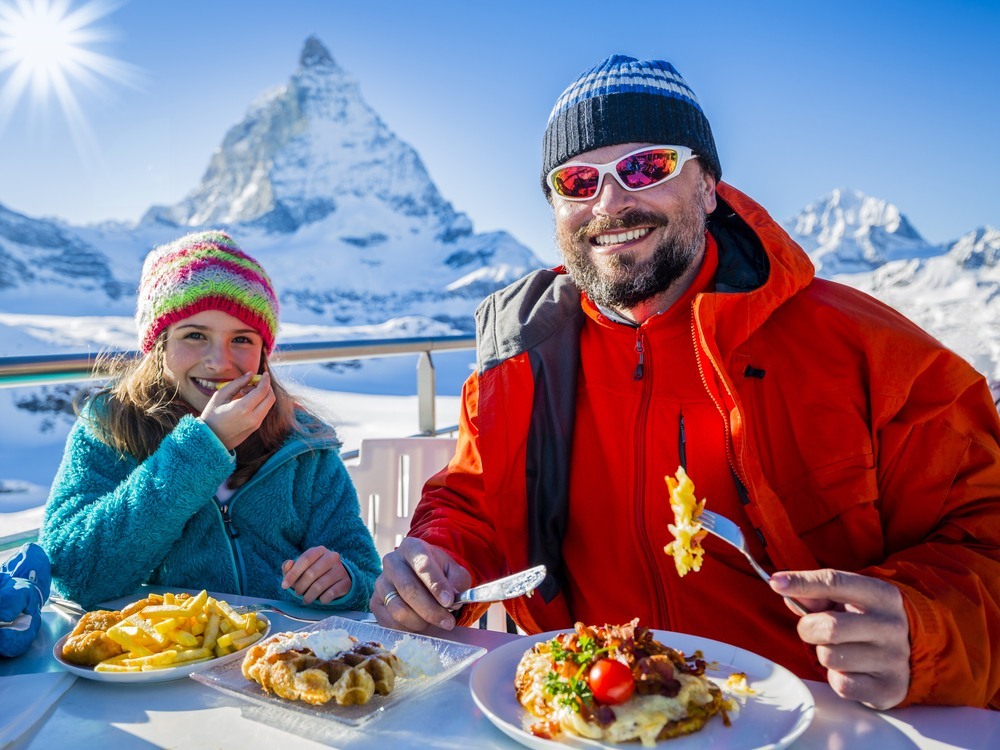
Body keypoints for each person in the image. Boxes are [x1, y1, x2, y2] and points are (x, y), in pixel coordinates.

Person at [371, 55, 1000, 710]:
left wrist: (930, 632)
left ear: (707, 187)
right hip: (591, 712)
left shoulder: (869, 352)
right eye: (578, 179)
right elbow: (472, 503)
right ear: (555, 207)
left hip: (817, 722)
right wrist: (438, 559)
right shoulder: (517, 364)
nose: (610, 203)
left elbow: (984, 534)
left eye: (646, 168)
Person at [40, 231, 379, 612]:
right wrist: (203, 446)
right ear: (159, 344)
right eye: (196, 335)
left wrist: (344, 581)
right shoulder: (109, 429)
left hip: (276, 660)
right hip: (156, 663)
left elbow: (367, 576)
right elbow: (71, 573)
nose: (220, 362)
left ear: (264, 354)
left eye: (242, 340)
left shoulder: (303, 443)